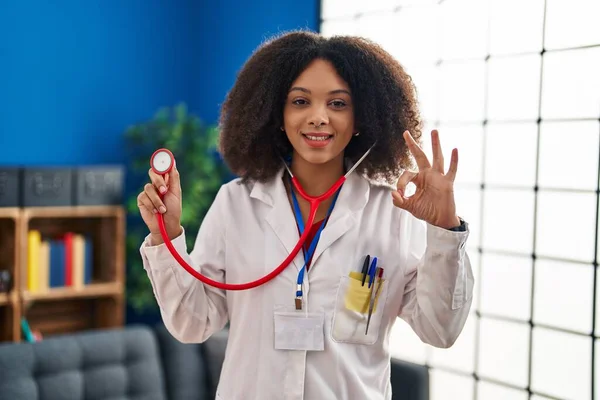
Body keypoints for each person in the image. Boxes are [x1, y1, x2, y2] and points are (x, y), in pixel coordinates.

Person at [137, 30, 474, 400]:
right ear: (277, 115)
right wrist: (164, 236)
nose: (318, 117)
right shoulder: (235, 203)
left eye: (338, 104)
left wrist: (445, 229)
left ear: (362, 118)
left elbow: (440, 330)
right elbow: (191, 323)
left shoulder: (392, 211)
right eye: (300, 101)